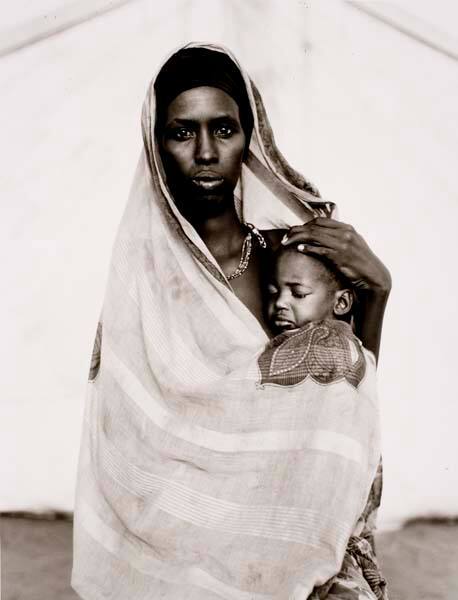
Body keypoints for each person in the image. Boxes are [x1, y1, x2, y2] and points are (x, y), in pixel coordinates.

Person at [72, 43, 390, 600]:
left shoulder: (292, 260)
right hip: (171, 550)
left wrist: (378, 292)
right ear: (155, 145)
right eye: (181, 132)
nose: (204, 152)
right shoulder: (141, 283)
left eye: (223, 130)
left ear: (251, 139)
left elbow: (342, 406)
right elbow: (124, 449)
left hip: (290, 532)